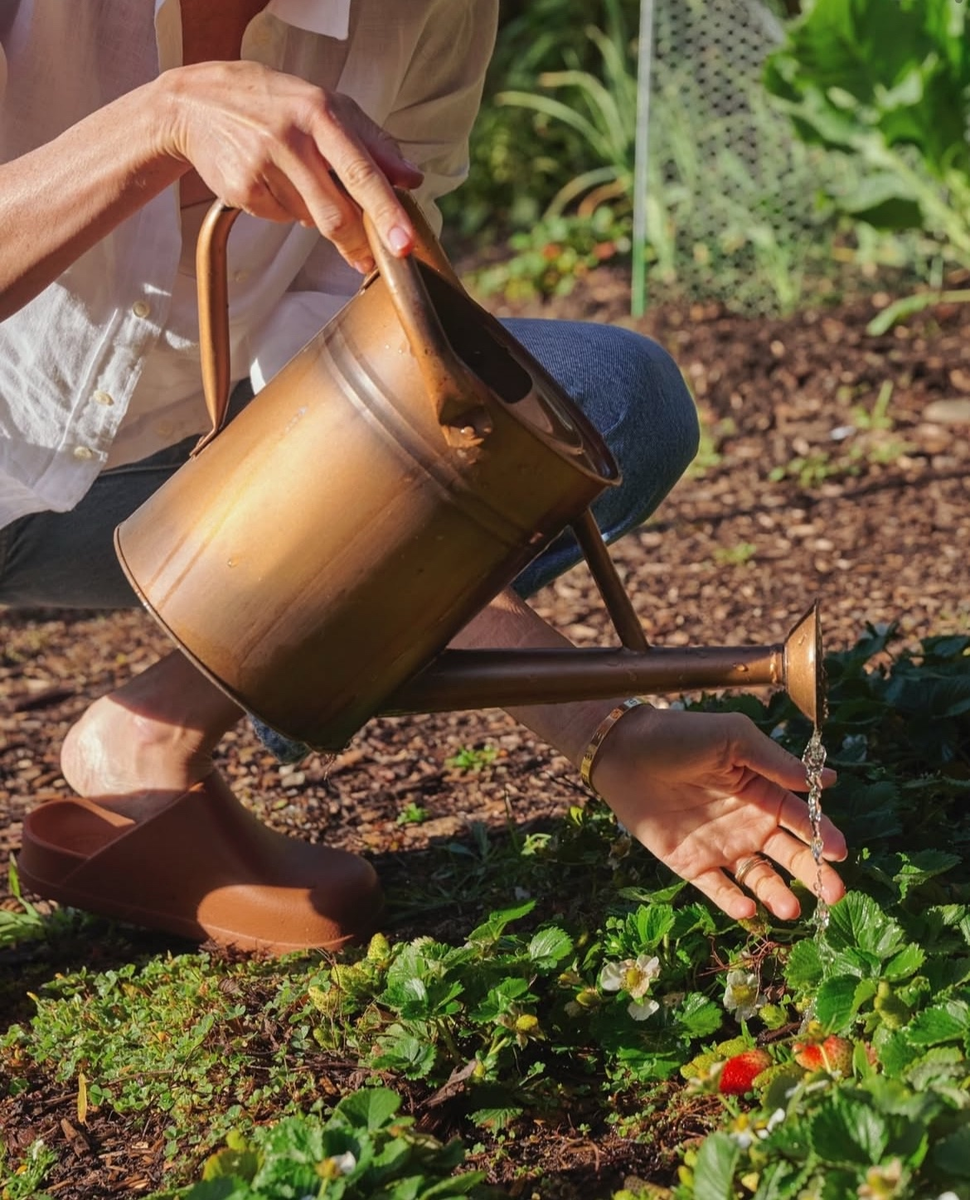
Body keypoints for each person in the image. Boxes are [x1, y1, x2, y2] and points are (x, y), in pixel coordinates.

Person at [0, 0, 847, 954]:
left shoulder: (425, 12)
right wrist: (158, 122)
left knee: (605, 400)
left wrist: (608, 735)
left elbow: (388, 412)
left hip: (186, 490)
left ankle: (155, 726)